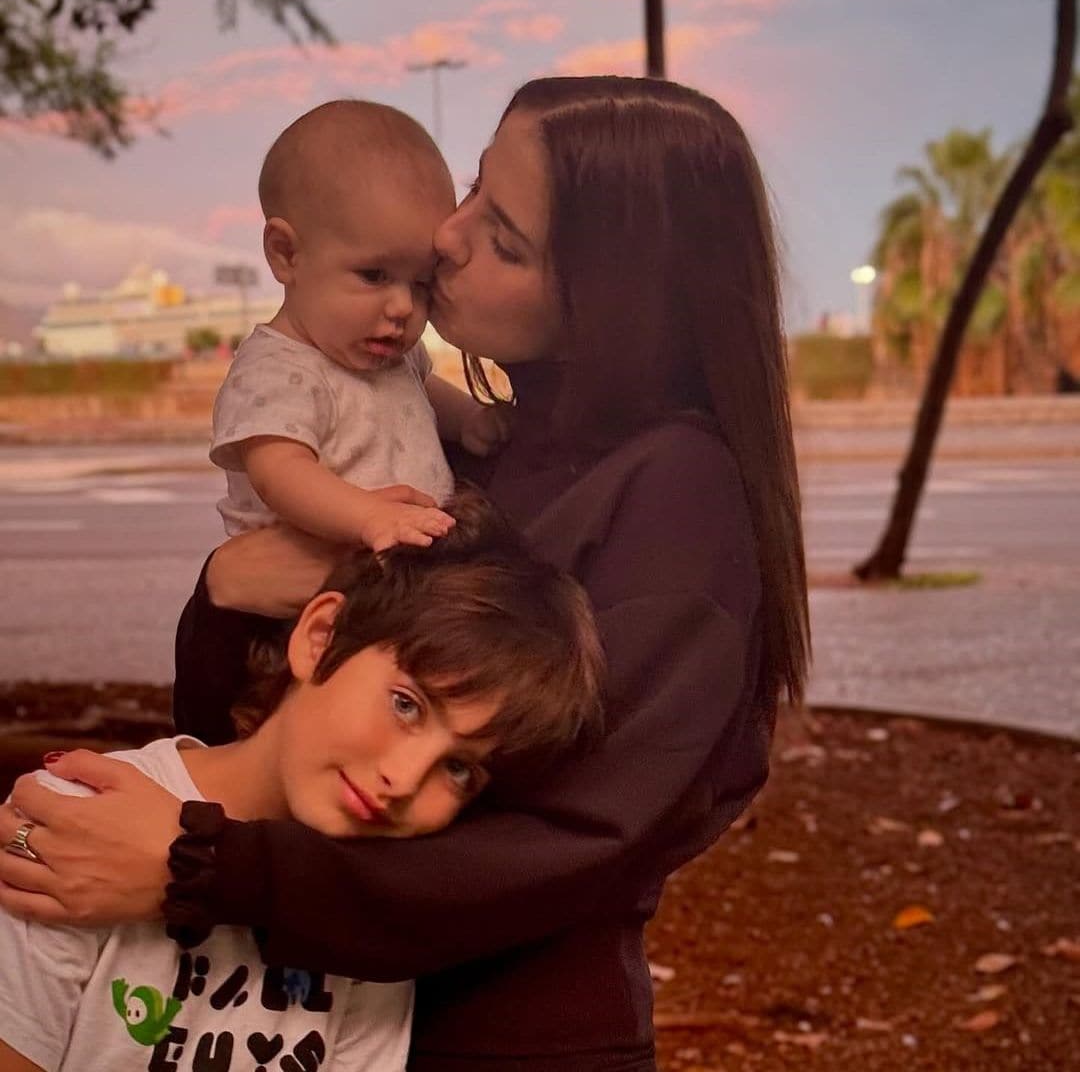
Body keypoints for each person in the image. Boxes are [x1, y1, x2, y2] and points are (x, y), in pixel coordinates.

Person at [0, 76, 810, 1071]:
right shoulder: (459, 440)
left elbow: (579, 842)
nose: (449, 237)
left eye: (505, 238)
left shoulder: (677, 497)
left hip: (508, 1037)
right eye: (474, 189)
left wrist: (201, 867)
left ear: (613, 299)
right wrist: (223, 598)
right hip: (313, 1014)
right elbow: (259, 719)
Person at [0, 491, 604, 1072]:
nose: (402, 779)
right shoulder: (82, 823)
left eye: (459, 768)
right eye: (407, 705)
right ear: (321, 639)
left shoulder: (375, 915)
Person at [212, 99, 505, 553]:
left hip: (396, 563)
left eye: (422, 282)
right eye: (375, 276)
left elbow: (422, 387)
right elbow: (280, 473)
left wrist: (470, 420)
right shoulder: (274, 370)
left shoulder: (388, 355)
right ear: (287, 254)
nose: (404, 306)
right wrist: (370, 517)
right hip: (311, 590)